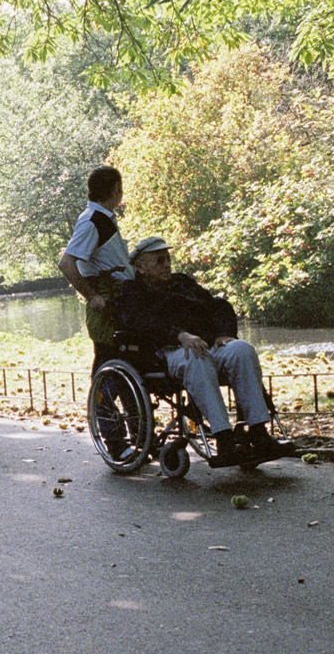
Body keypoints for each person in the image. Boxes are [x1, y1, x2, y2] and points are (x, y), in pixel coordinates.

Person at [117, 237, 297, 465]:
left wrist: (224, 333)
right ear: (140, 266)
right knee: (197, 358)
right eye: (159, 260)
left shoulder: (181, 282)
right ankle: (224, 438)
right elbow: (138, 323)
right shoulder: (133, 291)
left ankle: (259, 432)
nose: (167, 265)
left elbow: (217, 305)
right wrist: (179, 335)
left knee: (241, 350)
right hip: (166, 352)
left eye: (168, 259)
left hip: (207, 344)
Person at [58, 165, 131, 378]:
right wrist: (91, 296)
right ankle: (100, 410)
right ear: (116, 189)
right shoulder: (92, 221)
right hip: (108, 304)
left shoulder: (103, 219)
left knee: (121, 363)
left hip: (120, 299)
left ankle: (125, 410)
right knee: (109, 362)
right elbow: (66, 262)